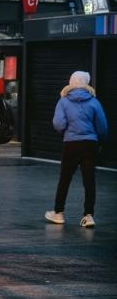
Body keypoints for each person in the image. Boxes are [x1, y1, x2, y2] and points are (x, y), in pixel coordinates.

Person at [45, 71, 108, 228]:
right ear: (86, 82)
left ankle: (58, 213)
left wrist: (68, 129)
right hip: (90, 144)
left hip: (71, 144)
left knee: (64, 179)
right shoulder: (94, 102)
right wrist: (100, 141)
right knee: (89, 181)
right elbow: (102, 126)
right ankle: (88, 216)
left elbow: (58, 124)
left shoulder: (63, 102)